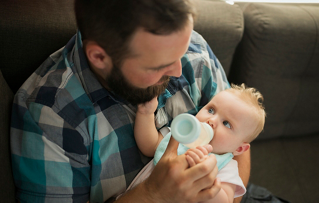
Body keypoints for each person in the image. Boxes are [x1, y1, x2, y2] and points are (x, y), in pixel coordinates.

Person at [10, 0, 250, 202]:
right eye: (159, 65)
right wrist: (153, 194)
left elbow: (240, 138)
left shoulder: (194, 51)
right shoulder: (50, 116)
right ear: (100, 57)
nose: (178, 70)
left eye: (182, 51)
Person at [130, 84, 265, 202]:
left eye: (226, 123)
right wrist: (146, 113)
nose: (211, 120)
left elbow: (225, 200)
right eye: (211, 110)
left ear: (240, 149)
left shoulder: (226, 167)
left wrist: (206, 180)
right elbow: (150, 145)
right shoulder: (180, 136)